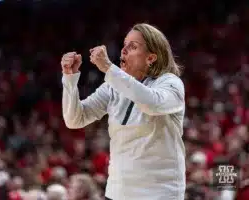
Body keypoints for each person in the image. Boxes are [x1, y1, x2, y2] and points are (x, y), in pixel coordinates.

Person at [61, 23, 186, 200]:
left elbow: (151, 103)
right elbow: (75, 119)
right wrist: (69, 78)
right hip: (117, 192)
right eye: (124, 45)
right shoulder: (113, 86)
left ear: (151, 58)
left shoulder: (171, 83)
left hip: (160, 193)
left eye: (133, 46)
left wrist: (108, 68)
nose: (123, 51)